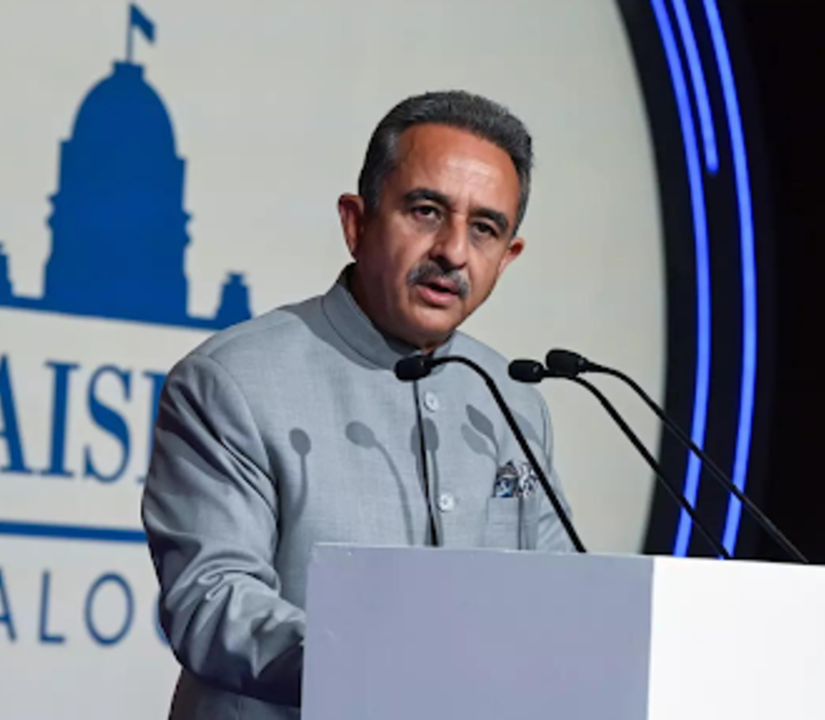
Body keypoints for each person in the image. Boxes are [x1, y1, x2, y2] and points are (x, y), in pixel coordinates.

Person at [142, 90, 575, 720]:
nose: (453, 251)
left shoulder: (512, 401)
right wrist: (381, 660)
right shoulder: (232, 381)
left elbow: (559, 600)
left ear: (507, 258)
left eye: (484, 228)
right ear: (356, 223)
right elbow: (212, 602)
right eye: (426, 212)